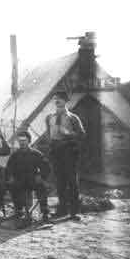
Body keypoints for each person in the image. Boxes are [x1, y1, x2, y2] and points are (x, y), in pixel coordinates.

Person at [45, 91, 85, 220]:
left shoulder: (73, 117)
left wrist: (68, 133)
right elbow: (48, 134)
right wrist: (51, 145)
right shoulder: (49, 117)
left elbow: (81, 134)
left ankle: (75, 211)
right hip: (56, 151)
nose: (57, 101)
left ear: (66, 101)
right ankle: (62, 209)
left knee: (72, 181)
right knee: (59, 181)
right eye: (55, 99)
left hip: (68, 150)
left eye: (60, 99)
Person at [6, 131, 51, 221]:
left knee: (41, 186)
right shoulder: (15, 155)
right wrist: (10, 177)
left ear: (29, 141)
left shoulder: (36, 154)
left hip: (32, 180)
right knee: (13, 186)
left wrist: (41, 176)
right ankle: (19, 211)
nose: (22, 142)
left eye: (24, 140)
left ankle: (44, 212)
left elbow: (46, 167)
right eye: (20, 141)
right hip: (19, 180)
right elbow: (8, 169)